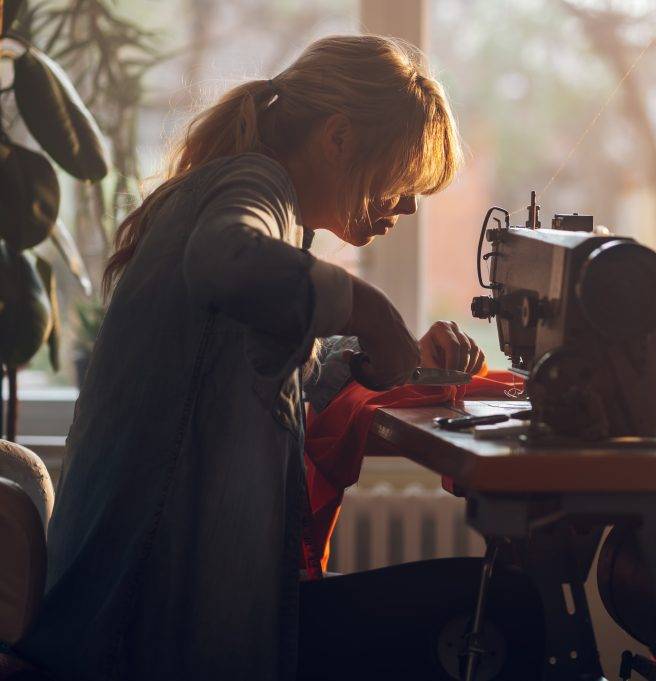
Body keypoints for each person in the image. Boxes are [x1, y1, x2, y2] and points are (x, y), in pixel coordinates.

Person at [17, 35, 543, 681]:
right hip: (144, 633)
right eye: (402, 179)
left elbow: (258, 382)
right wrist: (369, 309)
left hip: (158, 615)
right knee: (510, 609)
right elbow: (223, 258)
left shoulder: (252, 205)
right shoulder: (252, 182)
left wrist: (371, 359)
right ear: (339, 138)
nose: (407, 206)